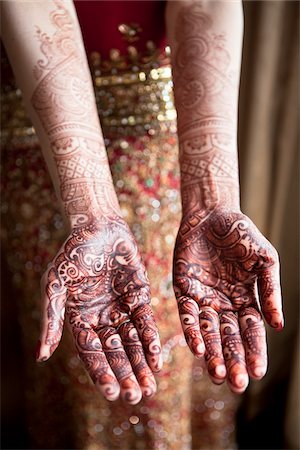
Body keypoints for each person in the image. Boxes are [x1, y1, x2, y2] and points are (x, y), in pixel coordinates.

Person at [1, 1, 284, 449]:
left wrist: (213, 199)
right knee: (81, 367)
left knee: (177, 351)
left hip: (166, 146)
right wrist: (91, 211)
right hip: (42, 133)